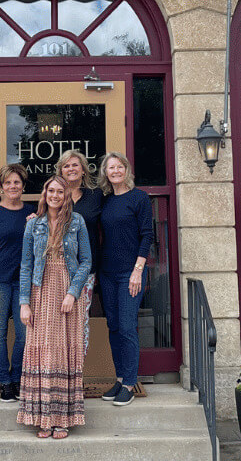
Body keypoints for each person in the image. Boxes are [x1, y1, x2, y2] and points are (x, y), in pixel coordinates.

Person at [17, 176, 92, 439]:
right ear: (44, 193)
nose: (55, 195)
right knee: (42, 350)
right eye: (51, 190)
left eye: (60, 191)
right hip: (40, 288)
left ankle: (63, 418)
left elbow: (86, 261)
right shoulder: (33, 224)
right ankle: (43, 417)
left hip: (67, 289)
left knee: (64, 350)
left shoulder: (77, 222)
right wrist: (24, 302)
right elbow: (26, 265)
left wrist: (73, 293)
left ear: (66, 195)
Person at [96, 152, 154, 407]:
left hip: (129, 273)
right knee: (114, 326)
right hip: (107, 273)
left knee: (128, 327)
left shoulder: (139, 198)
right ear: (105, 173)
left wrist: (138, 269)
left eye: (120, 166)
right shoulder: (105, 201)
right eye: (111, 167)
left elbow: (147, 235)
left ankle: (130, 382)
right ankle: (120, 378)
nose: (116, 171)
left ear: (126, 170)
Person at [0, 164, 35, 402]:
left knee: (24, 334)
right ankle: (5, 382)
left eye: (17, 182)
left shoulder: (32, 212)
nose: (13, 186)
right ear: (1, 187)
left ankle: (18, 378)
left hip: (25, 282)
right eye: (8, 183)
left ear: (23, 186)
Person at [53, 149, 104, 350]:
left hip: (86, 271)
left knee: (80, 321)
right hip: (57, 269)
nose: (71, 169)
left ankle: (76, 373)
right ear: (60, 171)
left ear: (83, 170)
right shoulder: (53, 195)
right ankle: (58, 372)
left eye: (75, 165)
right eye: (66, 166)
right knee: (57, 321)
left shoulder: (96, 196)